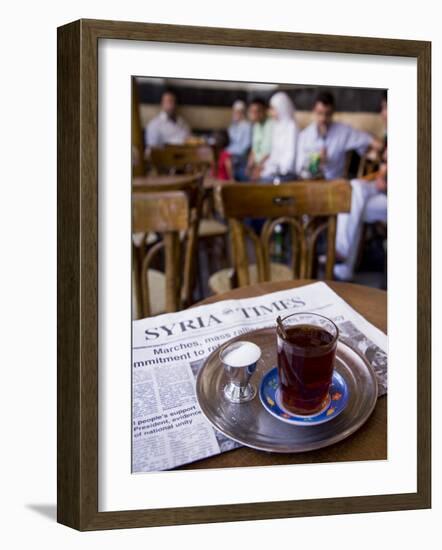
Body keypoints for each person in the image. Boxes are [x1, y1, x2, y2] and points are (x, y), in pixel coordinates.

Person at [296, 91, 383, 180]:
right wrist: (316, 161)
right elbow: (299, 167)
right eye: (320, 113)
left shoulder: (343, 131)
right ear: (313, 110)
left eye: (327, 114)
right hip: (309, 183)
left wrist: (382, 148)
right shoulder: (304, 136)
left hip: (335, 183)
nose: (323, 118)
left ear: (333, 112)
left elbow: (366, 139)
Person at [260, 91, 299, 182]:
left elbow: (290, 157)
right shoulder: (277, 125)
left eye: (273, 109)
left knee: (265, 182)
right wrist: (267, 166)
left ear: (282, 107)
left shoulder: (291, 126)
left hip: (286, 172)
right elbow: (275, 153)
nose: (271, 112)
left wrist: (275, 170)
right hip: (275, 169)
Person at [246, 98, 273, 181]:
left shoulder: (271, 124)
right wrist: (249, 166)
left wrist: (258, 168)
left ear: (265, 110)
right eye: (252, 111)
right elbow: (254, 149)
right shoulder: (256, 125)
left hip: (267, 165)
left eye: (257, 111)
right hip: (257, 165)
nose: (254, 114)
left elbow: (270, 152)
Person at [226, 100, 252, 180]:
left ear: (242, 113)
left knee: (227, 160)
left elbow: (245, 147)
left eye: (237, 112)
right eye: (234, 112)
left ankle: (232, 181)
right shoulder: (233, 126)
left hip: (240, 157)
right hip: (233, 155)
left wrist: (230, 153)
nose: (235, 114)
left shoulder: (247, 126)